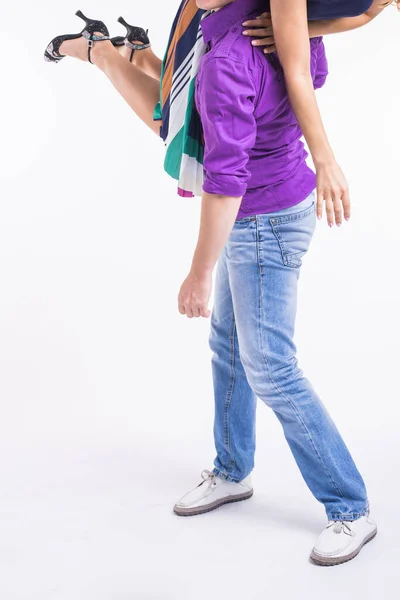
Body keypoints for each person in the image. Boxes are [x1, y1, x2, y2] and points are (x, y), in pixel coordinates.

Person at [44, 0, 396, 566]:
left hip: (261, 221)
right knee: (228, 346)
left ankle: (349, 506)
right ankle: (232, 470)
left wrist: (199, 273)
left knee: (272, 370)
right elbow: (314, 69)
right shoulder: (256, 19)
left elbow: (225, 182)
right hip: (269, 206)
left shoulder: (229, 56)